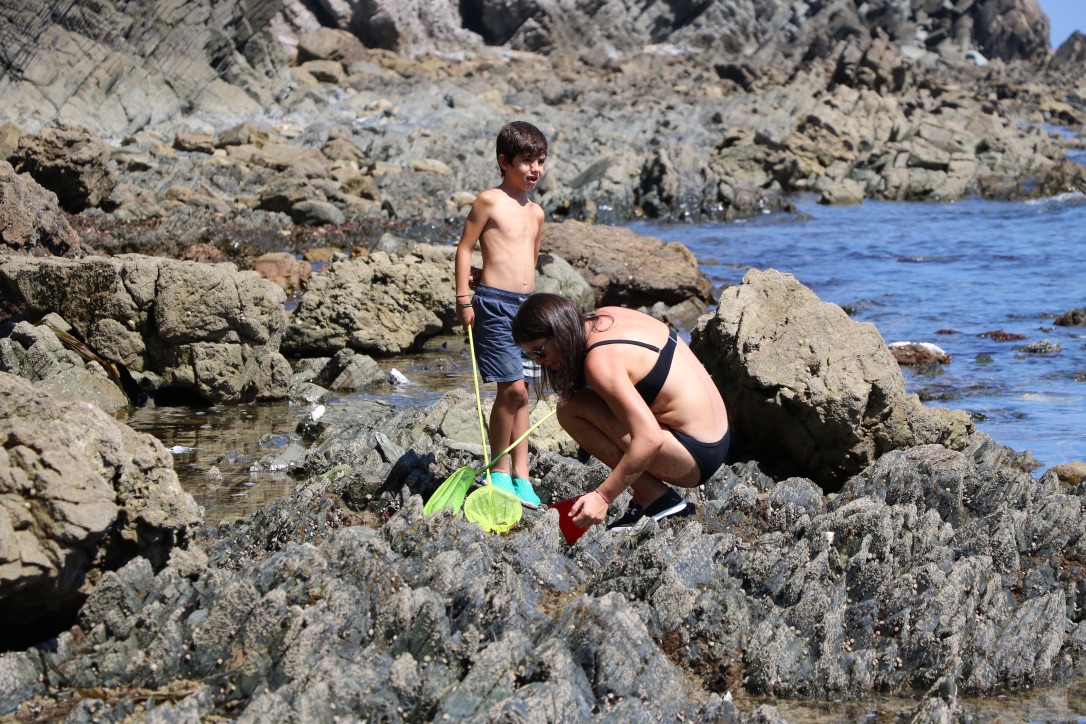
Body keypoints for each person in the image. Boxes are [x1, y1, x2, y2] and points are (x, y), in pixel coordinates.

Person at [512, 293, 730, 531]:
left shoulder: (600, 362)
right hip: (718, 438)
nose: (539, 362)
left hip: (693, 458)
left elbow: (650, 439)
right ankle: (649, 497)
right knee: (578, 401)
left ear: (559, 331)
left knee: (569, 409)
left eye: (539, 351)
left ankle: (657, 498)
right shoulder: (605, 317)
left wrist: (602, 497)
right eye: (530, 356)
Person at [455, 120, 549, 506]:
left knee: (524, 395)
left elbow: (530, 257)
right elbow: (465, 248)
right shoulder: (489, 201)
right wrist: (464, 297)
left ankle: (522, 477)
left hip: (527, 308)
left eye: (540, 161)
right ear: (504, 162)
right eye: (526, 161)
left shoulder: (537, 213)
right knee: (509, 389)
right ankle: (499, 469)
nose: (535, 169)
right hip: (493, 305)